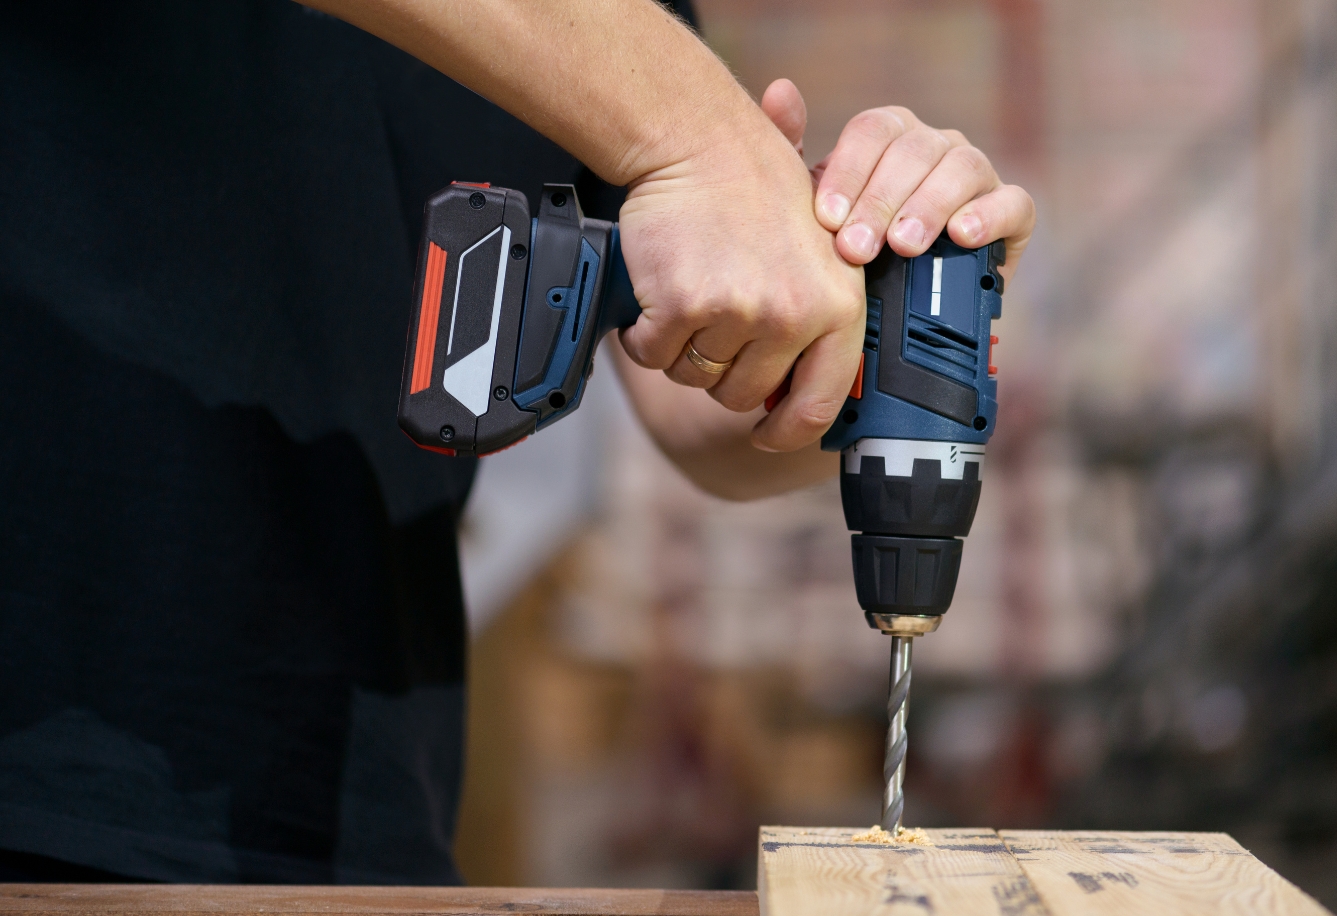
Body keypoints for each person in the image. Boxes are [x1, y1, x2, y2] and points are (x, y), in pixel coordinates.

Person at [0, 0, 1035, 884]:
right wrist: (703, 135)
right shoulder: (660, 86)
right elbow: (683, 142)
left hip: (348, 791)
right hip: (43, 755)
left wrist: (856, 313)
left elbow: (687, 398)